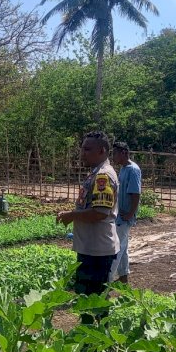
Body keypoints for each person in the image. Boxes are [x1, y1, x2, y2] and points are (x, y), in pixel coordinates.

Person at [56, 131, 119, 324]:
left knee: (94, 305)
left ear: (101, 151)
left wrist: (71, 215)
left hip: (97, 252)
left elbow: (100, 213)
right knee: (90, 304)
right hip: (92, 249)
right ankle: (94, 345)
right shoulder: (96, 173)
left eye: (87, 149)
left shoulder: (103, 176)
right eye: (82, 149)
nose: (82, 153)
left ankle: (95, 348)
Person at [109, 142, 141, 284]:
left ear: (123, 153)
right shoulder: (123, 169)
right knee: (123, 248)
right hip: (120, 215)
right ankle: (123, 278)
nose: (113, 157)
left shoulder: (133, 170)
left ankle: (106, 281)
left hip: (124, 216)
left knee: (117, 248)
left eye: (115, 153)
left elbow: (135, 194)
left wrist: (130, 214)